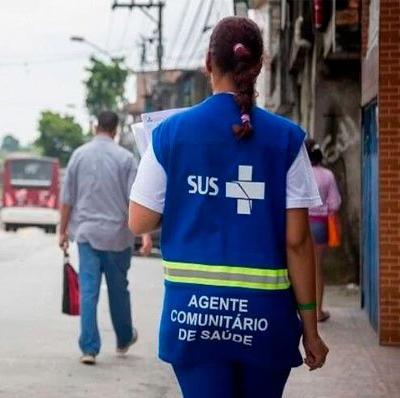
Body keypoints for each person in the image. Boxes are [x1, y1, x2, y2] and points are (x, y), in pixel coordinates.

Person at [128, 17, 329, 398]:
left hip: (192, 319)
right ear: (259, 66)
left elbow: (139, 221)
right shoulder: (286, 139)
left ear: (208, 63)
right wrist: (311, 330)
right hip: (266, 320)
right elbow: (299, 244)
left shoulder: (169, 134)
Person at [59, 110, 147, 365]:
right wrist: (145, 235)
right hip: (118, 236)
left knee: (88, 291)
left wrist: (62, 231)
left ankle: (89, 348)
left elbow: (67, 199)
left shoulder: (78, 156)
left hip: (86, 235)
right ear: (116, 130)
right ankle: (123, 338)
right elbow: (135, 200)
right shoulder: (126, 158)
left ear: (96, 126)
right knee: (119, 290)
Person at [305, 139, 342, 322]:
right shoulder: (328, 175)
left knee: (301, 267)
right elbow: (334, 203)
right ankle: (319, 312)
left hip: (301, 223)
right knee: (317, 268)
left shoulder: (301, 174)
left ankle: (302, 311)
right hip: (320, 224)